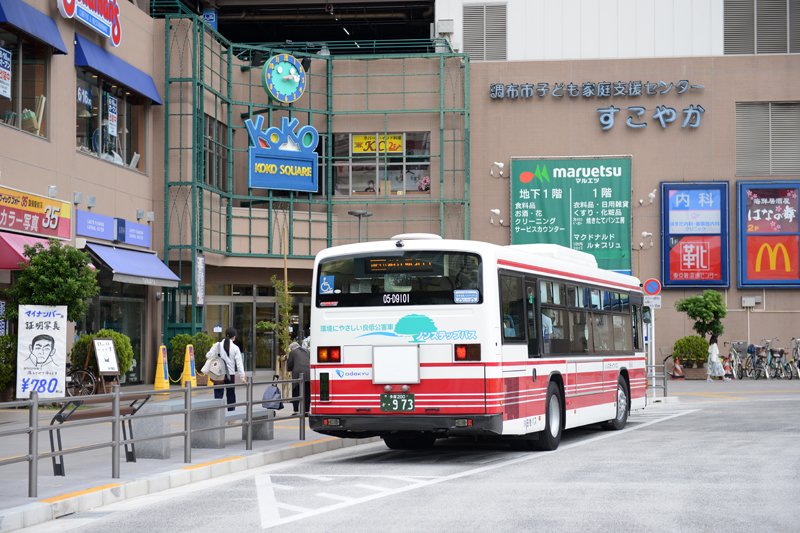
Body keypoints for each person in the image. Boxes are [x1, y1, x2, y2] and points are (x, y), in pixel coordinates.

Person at [212, 327, 247, 410]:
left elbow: (208, 355)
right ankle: (231, 413)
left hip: (218, 373)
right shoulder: (235, 348)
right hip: (230, 375)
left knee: (218, 394)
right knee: (231, 394)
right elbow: (239, 363)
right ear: (234, 337)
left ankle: (217, 413)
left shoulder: (217, 345)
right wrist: (242, 376)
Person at [287, 341, 311, 414]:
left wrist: (289, 369)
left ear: (292, 348)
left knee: (296, 392)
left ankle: (296, 410)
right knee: (307, 393)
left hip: (297, 374)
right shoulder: (307, 351)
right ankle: (306, 411)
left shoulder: (293, 352)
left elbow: (290, 364)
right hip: (308, 373)